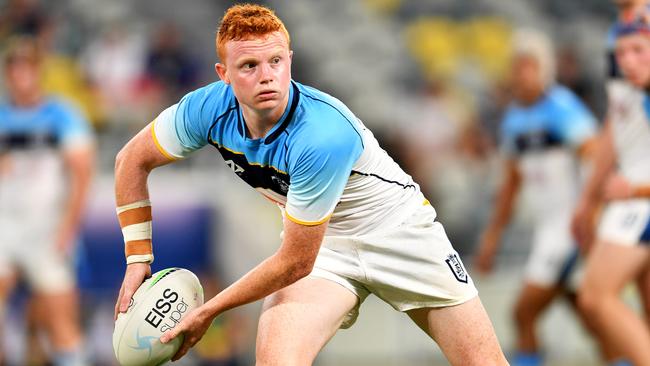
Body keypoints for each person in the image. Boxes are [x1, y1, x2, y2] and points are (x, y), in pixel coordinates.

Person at [113, 4, 508, 365]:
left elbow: (294, 262)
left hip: (400, 235)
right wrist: (138, 260)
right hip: (325, 249)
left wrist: (208, 311)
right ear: (224, 74)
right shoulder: (204, 110)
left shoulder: (321, 134)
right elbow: (131, 161)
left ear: (290, 61)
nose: (266, 76)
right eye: (249, 65)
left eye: (275, 61)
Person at [473, 29, 598, 366]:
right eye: (516, 66)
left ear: (544, 69)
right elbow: (511, 183)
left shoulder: (562, 108)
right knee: (592, 315)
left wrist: (592, 215)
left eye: (528, 65)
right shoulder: (513, 119)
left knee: (523, 312)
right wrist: (492, 236)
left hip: (569, 230)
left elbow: (596, 158)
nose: (520, 73)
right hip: (549, 230)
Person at [0, 36, 94, 365]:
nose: (21, 73)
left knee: (60, 321)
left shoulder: (62, 116)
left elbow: (82, 176)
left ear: (37, 70)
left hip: (48, 228)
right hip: (5, 226)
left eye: (27, 65)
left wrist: (68, 228)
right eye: (15, 66)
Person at [572, 8, 650, 366]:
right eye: (621, 54)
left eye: (637, 51)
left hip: (638, 201)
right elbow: (616, 128)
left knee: (596, 297)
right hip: (632, 197)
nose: (627, 62)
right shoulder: (639, 95)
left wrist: (633, 191)